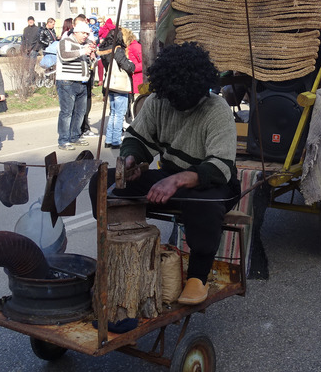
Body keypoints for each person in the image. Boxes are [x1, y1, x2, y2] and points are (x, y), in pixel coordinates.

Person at [88, 42, 239, 306]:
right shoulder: (160, 100)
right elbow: (137, 137)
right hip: (171, 178)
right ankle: (114, 251)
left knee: (202, 205)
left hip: (212, 183)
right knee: (102, 182)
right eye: (172, 98)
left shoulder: (217, 109)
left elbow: (220, 166)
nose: (177, 104)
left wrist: (178, 180)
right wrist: (132, 161)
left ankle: (198, 277)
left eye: (184, 99)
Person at [55, 21, 96, 150]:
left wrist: (92, 56)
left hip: (82, 82)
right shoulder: (65, 42)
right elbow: (64, 56)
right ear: (76, 32)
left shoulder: (84, 45)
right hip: (67, 82)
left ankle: (75, 136)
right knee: (67, 112)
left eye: (87, 33)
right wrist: (82, 51)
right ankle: (63, 140)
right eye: (83, 33)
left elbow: (87, 62)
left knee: (80, 112)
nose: (85, 36)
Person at [100, 28, 135, 149]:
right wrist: (132, 64)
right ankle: (115, 141)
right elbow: (127, 65)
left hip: (110, 85)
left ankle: (109, 139)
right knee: (119, 114)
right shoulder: (117, 50)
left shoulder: (104, 50)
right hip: (120, 86)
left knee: (113, 113)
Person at [122, 27, 143, 125]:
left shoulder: (135, 46)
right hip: (130, 79)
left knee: (135, 104)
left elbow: (144, 62)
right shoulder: (128, 47)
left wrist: (132, 68)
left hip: (136, 79)